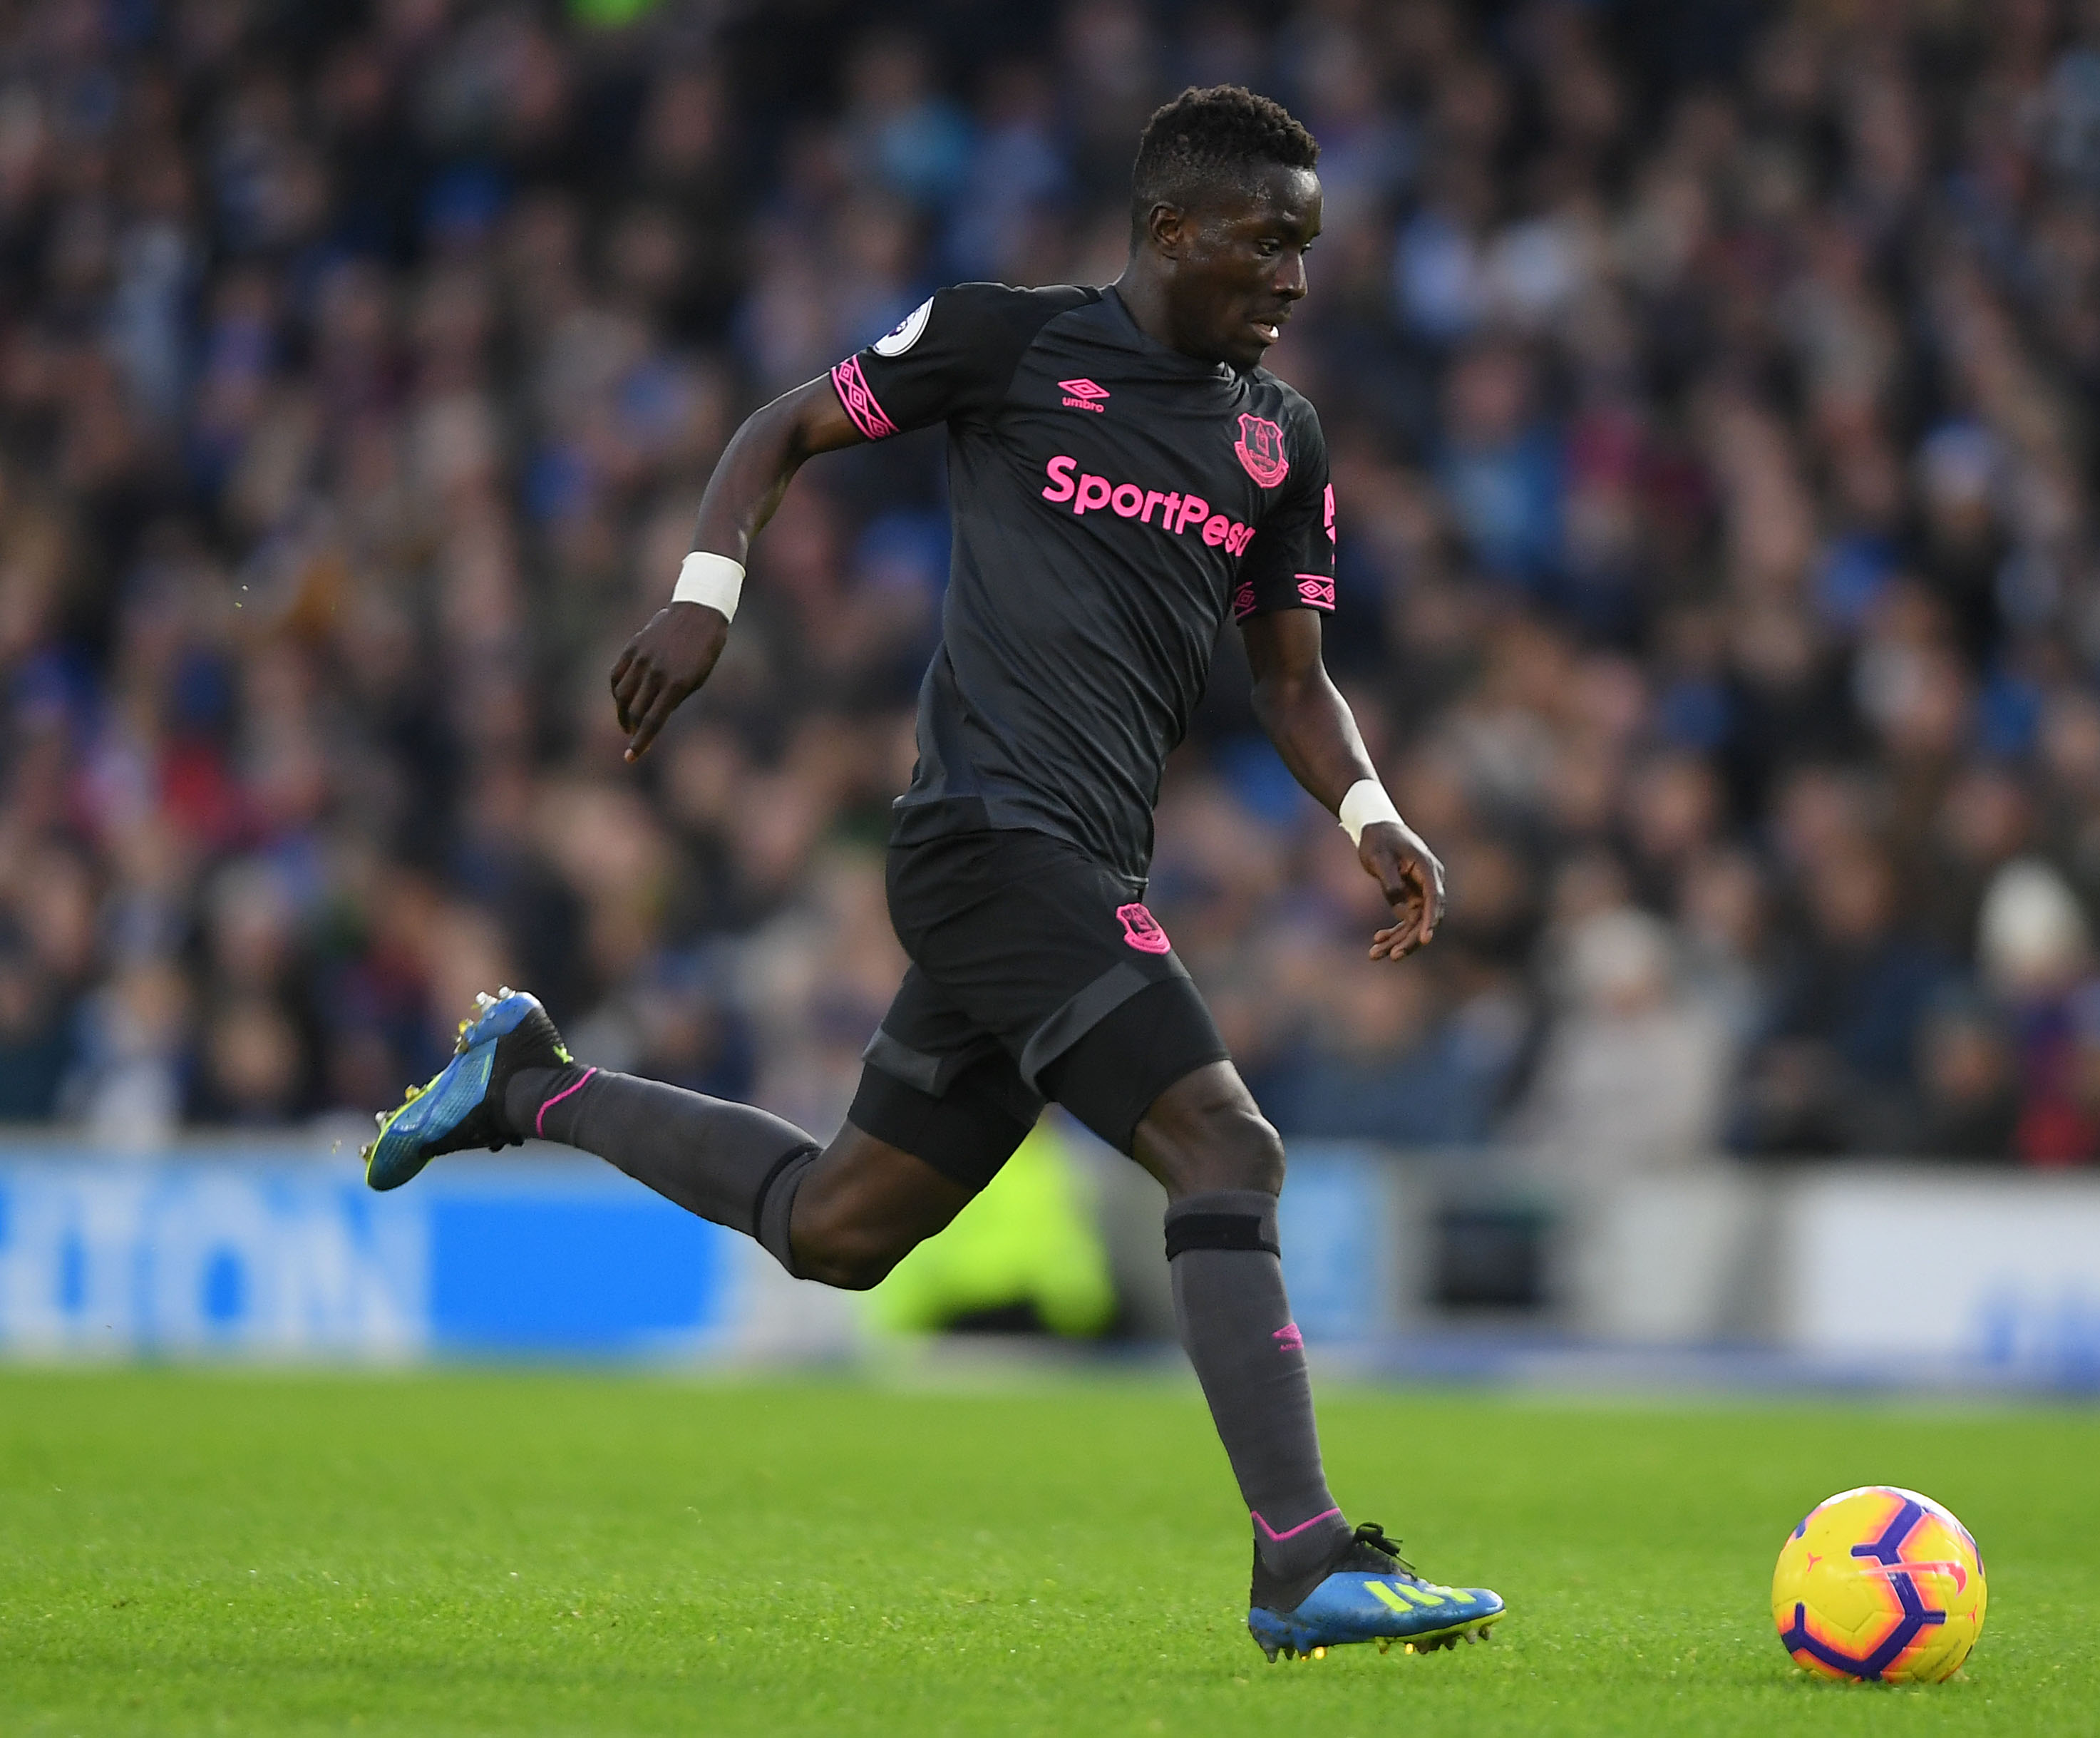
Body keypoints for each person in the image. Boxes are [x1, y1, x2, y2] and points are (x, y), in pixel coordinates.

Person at [358, 87, 1501, 1662]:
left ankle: (527, 1086)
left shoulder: (1276, 442)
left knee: (837, 1228)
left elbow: (1291, 678)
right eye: (1270, 241)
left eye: (1309, 246)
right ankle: (1302, 1561)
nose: (1298, 278)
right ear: (1172, 230)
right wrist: (706, 592)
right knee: (1227, 1151)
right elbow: (783, 427)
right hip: (982, 840)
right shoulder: (1006, 342)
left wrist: (1372, 812)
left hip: (1074, 858)